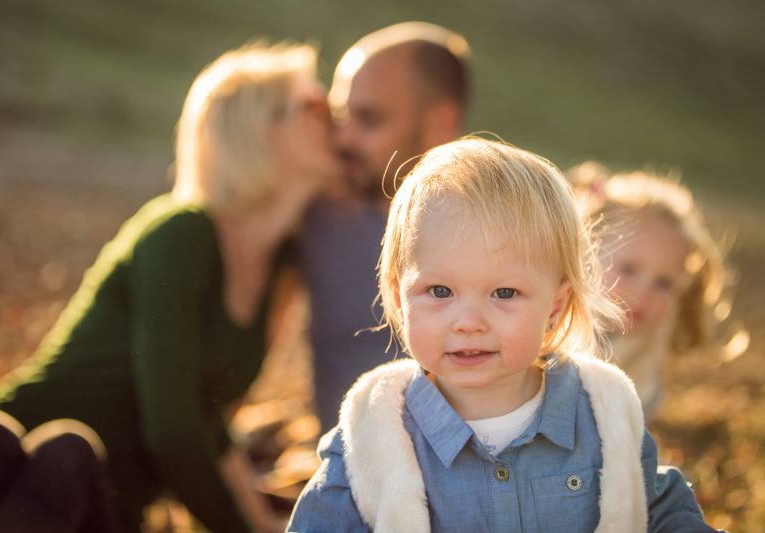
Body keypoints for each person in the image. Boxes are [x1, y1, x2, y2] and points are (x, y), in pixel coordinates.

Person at [0, 42, 339, 532]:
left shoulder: (279, 267)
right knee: (32, 446)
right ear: (259, 130)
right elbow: (173, 431)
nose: (335, 117)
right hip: (12, 473)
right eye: (314, 104)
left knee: (70, 459)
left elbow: (207, 426)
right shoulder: (181, 232)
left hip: (96, 505)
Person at [287, 137, 720, 532]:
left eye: (504, 293)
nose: (469, 321)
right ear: (401, 302)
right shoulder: (372, 437)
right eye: (440, 291)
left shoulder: (602, 415)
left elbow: (659, 510)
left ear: (554, 309)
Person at [300, 21, 471, 432]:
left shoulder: (491, 235)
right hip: (344, 479)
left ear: (440, 125)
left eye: (369, 119)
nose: (344, 139)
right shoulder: (316, 217)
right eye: (341, 116)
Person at [568, 162, 736, 419]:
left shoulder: (646, 348)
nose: (643, 295)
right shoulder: (547, 319)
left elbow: (628, 427)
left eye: (664, 283)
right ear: (585, 251)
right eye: (629, 269)